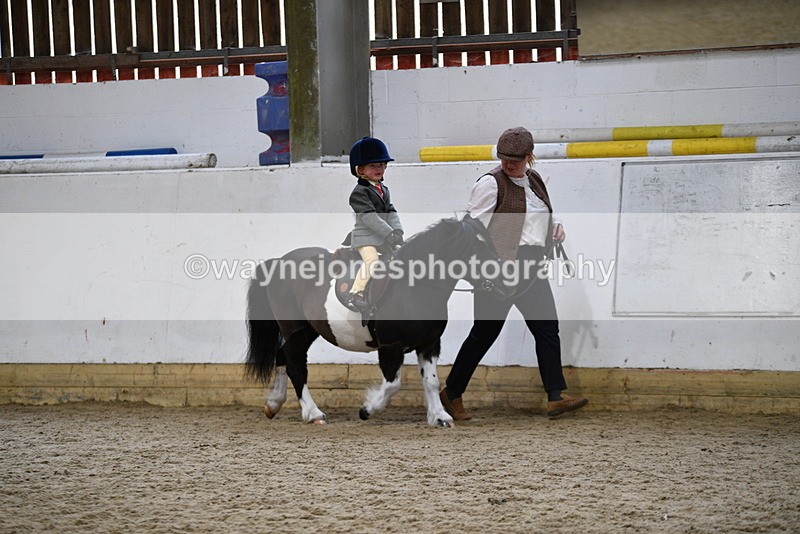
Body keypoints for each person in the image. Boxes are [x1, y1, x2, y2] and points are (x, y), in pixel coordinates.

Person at [440, 127, 588, 419]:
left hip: (532, 267)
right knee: (484, 333)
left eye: (516, 159)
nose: (509, 164)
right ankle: (452, 393)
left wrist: (555, 226)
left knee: (547, 328)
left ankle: (555, 396)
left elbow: (542, 211)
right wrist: (479, 270)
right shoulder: (490, 184)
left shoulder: (533, 180)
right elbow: (472, 228)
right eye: (505, 158)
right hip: (500, 267)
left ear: (529, 157)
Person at [343, 137, 404, 316]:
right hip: (366, 238)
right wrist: (389, 232)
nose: (379, 169)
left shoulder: (383, 189)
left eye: (382, 165)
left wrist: (398, 230)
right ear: (360, 169)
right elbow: (370, 217)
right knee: (372, 262)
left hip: (383, 235)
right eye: (373, 166)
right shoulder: (359, 193)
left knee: (397, 260)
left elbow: (390, 210)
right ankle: (356, 294)